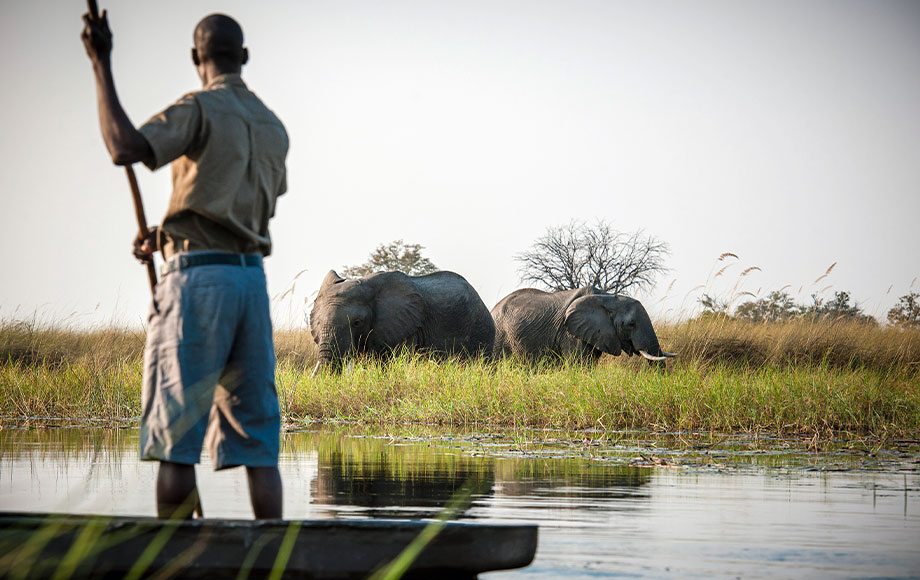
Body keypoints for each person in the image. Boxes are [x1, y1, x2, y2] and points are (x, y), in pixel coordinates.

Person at [81, 10, 287, 520]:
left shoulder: (199, 107)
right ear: (243, 57)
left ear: (197, 58)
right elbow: (240, 208)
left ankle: (177, 565)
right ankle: (278, 560)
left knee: (176, 438)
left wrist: (100, 64)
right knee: (259, 445)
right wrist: (164, 236)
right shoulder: (272, 126)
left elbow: (123, 147)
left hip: (199, 284)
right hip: (249, 283)